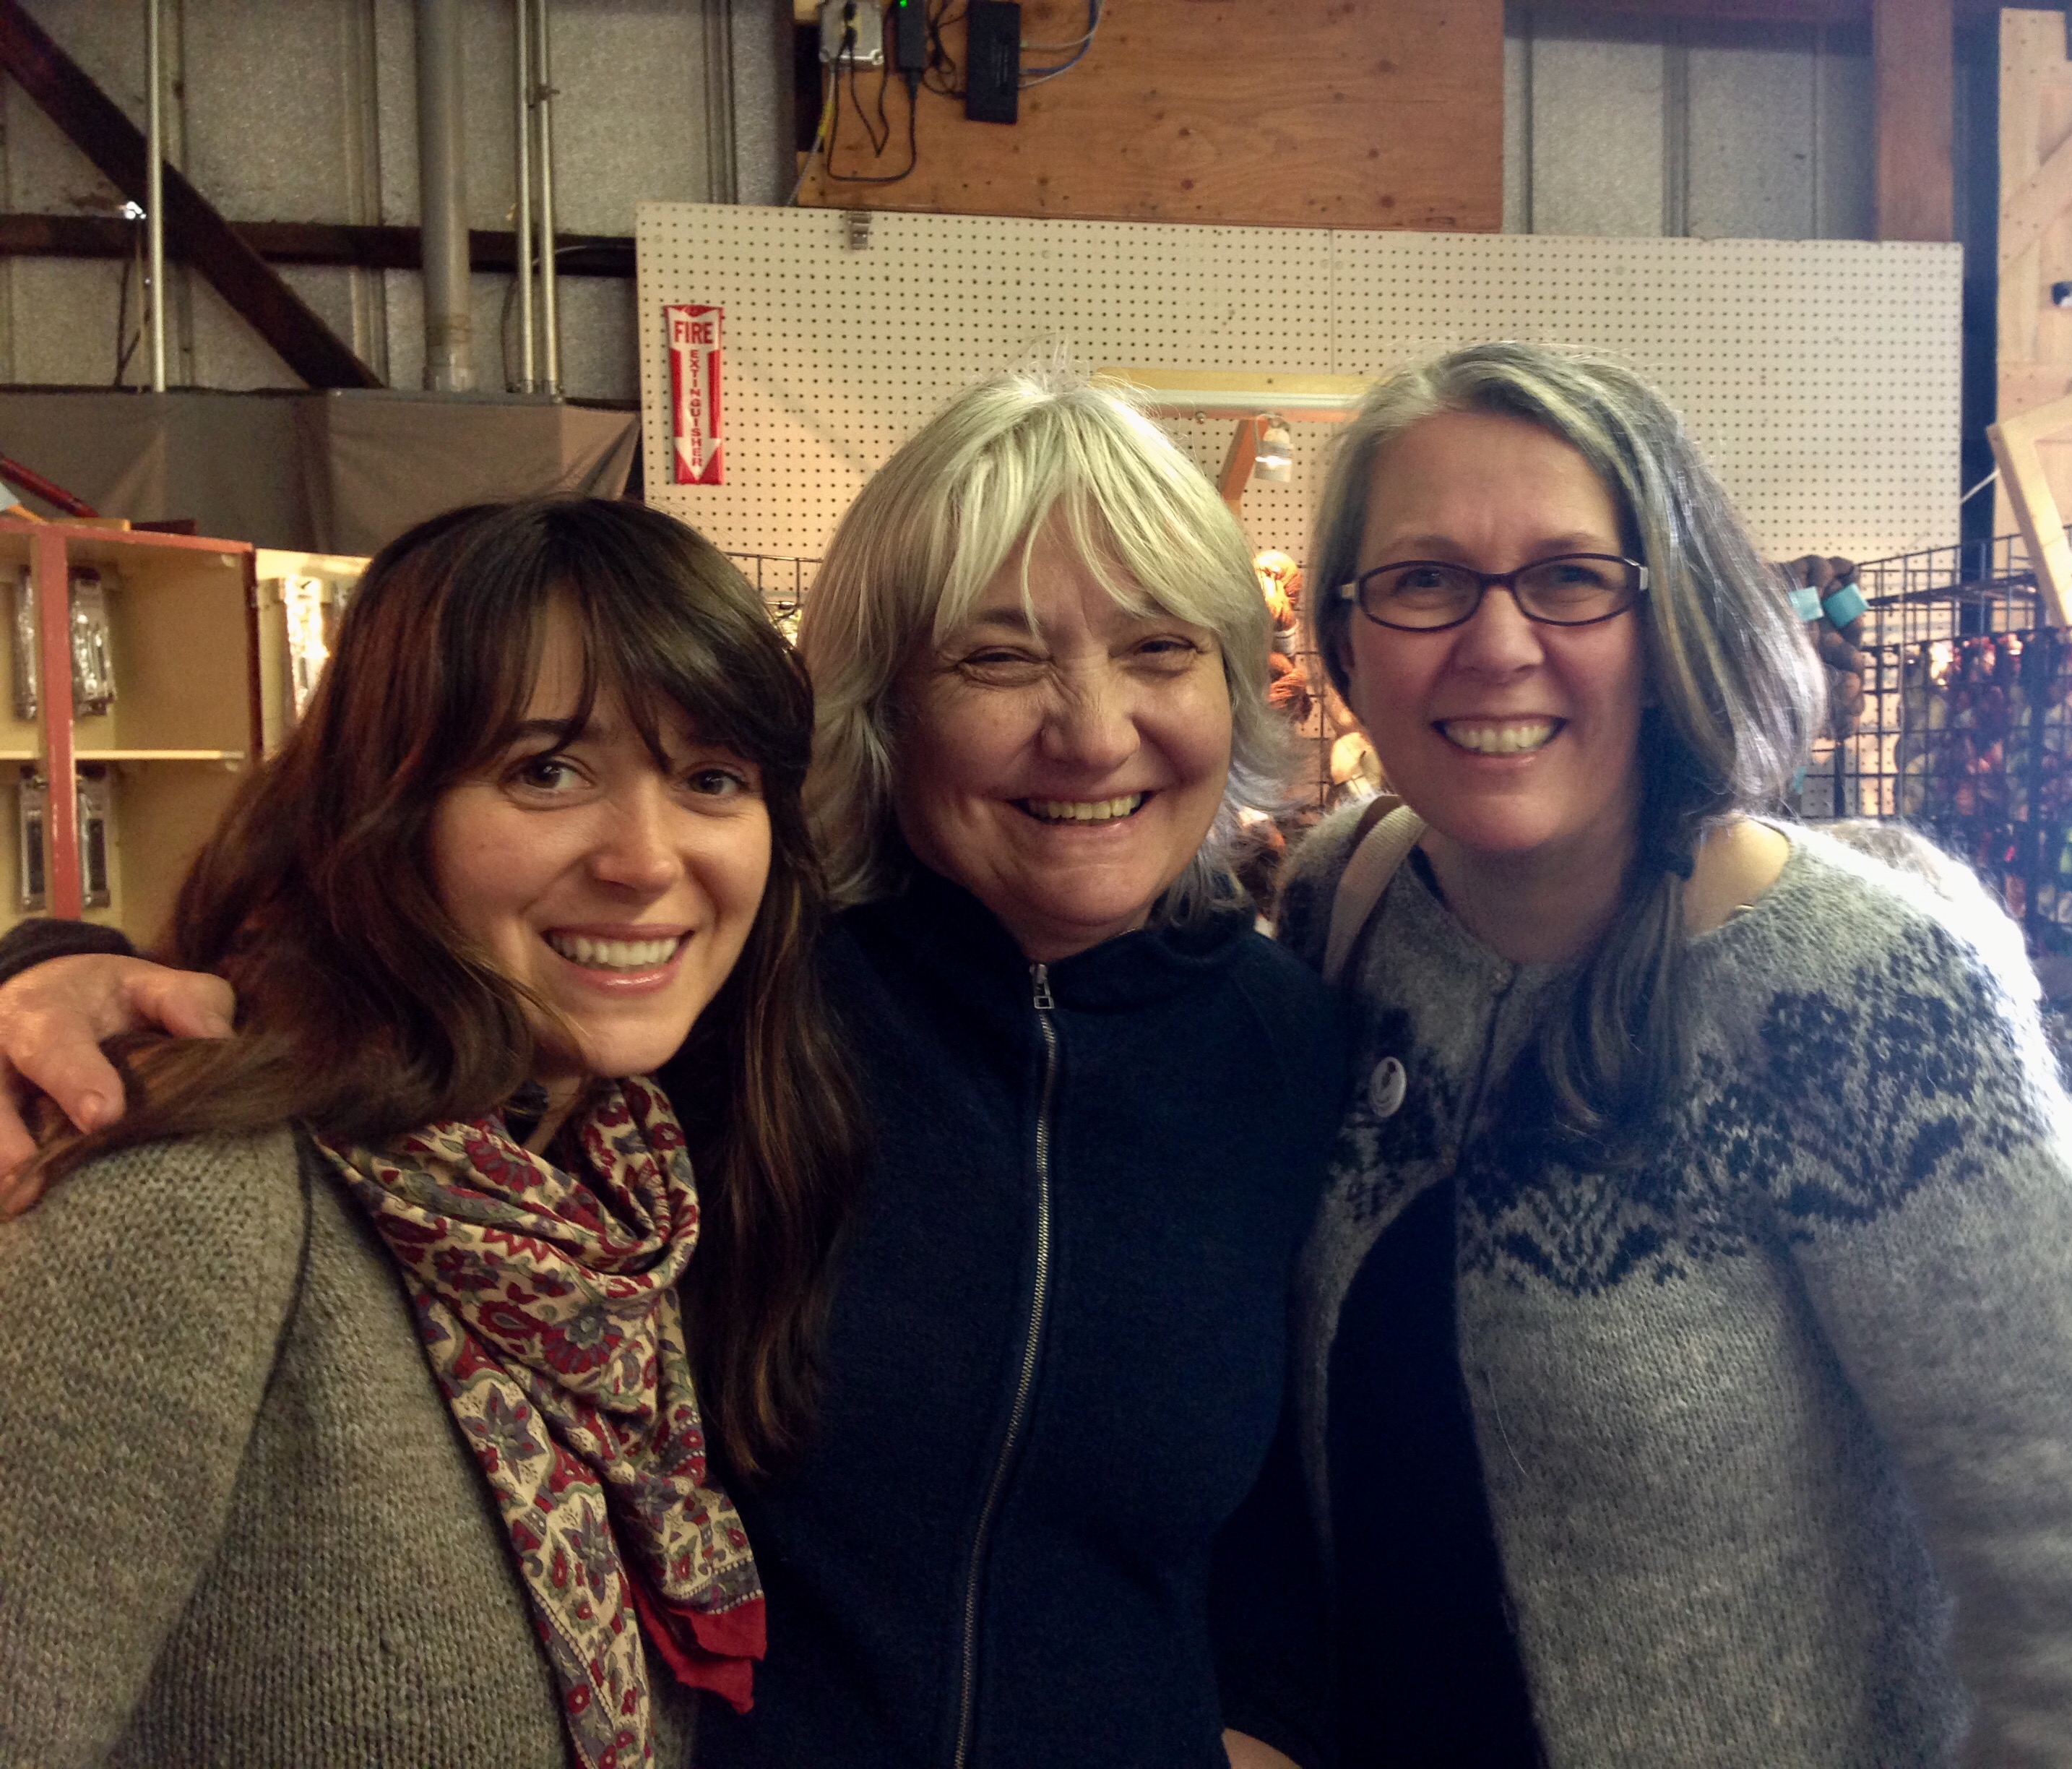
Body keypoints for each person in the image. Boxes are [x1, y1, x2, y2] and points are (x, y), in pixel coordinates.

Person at [0, 377, 1344, 1769]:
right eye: (998, 661)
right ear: (881, 712)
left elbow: (1289, 1549)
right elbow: (329, 998)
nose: (1094, 729)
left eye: (1161, 648)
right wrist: (47, 977)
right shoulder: (749, 1009)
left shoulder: (1293, 1049)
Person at [1272, 343, 2072, 1768]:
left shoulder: (1859, 990)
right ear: (1347, 636)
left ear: (1670, 615)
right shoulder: (1342, 913)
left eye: (1569, 576)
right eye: (1425, 579)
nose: (1497, 643)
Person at [0, 496, 861, 1768]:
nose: (645, 857)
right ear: (382, 810)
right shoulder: (200, 1203)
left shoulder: (627, 1187)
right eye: (545, 770)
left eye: (712, 778)